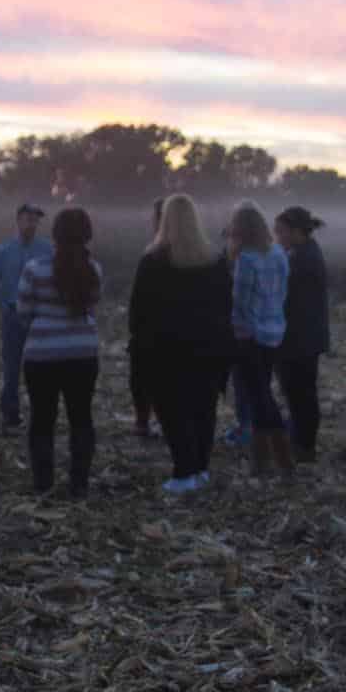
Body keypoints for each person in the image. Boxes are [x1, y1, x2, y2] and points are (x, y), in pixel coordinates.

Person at [128, 194, 233, 493]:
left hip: (166, 352)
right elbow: (226, 305)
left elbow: (139, 311)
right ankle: (200, 469)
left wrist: (140, 346)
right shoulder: (214, 260)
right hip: (209, 349)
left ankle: (183, 472)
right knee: (203, 409)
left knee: (173, 412)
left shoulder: (153, 261)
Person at [16, 205, 102, 499]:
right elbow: (91, 308)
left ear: (55, 234)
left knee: (42, 419)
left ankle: (43, 482)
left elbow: (23, 312)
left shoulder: (34, 269)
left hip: (41, 356)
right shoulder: (93, 269)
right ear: (87, 234)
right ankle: (79, 483)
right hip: (83, 354)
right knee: (81, 418)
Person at [229, 200, 292, 475]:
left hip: (250, 336)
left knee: (260, 398)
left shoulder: (246, 259)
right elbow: (283, 292)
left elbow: (240, 302)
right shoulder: (279, 253)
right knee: (261, 393)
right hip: (275, 331)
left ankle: (280, 459)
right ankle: (261, 461)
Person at [0, 203, 53, 431]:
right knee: (12, 366)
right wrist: (5, 303)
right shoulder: (3, 251)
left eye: (35, 220)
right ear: (18, 221)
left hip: (39, 316)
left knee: (41, 367)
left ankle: (41, 414)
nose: (32, 224)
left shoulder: (47, 250)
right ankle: (11, 414)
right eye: (28, 219)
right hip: (13, 316)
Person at [274, 206, 331, 463]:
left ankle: (304, 445)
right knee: (298, 392)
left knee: (301, 393)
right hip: (303, 336)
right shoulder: (302, 252)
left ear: (297, 232)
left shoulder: (303, 259)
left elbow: (287, 297)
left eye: (281, 231)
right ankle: (300, 441)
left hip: (301, 338)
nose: (278, 236)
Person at [127, 198, 165, 437]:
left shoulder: (152, 257)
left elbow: (138, 302)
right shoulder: (196, 253)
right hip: (173, 331)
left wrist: (136, 330)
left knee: (144, 377)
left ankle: (145, 421)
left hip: (153, 332)